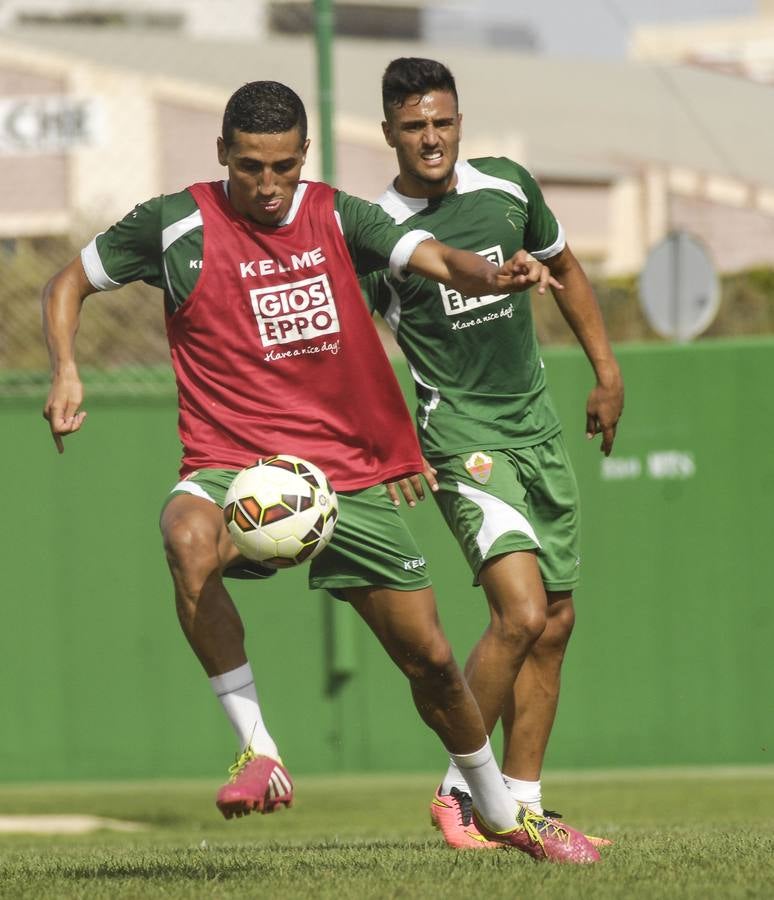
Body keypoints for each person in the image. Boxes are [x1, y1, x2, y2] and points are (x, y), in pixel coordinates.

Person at [42, 80, 599, 863]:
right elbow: (66, 281)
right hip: (232, 463)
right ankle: (257, 749)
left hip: (341, 478)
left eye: (281, 167)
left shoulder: (339, 214)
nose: (266, 187)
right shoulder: (175, 224)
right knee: (187, 537)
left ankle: (500, 811)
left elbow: (432, 255)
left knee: (433, 664)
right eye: (248, 169)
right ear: (222, 157)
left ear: (304, 155)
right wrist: (66, 369)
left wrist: (489, 274)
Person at [360, 58, 624, 850]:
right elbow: (359, 348)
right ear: (389, 134)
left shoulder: (508, 186)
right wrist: (387, 443)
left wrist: (608, 375)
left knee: (557, 621)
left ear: (460, 121)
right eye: (413, 126)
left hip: (538, 429)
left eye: (441, 121)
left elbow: (569, 270)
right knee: (521, 613)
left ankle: (526, 801)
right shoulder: (377, 230)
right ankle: (457, 791)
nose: (430, 138)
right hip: (459, 439)